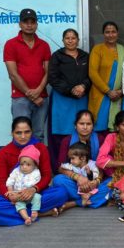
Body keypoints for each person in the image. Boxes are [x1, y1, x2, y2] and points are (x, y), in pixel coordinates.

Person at [0, 117, 67, 226]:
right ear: (12, 133)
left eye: (27, 132)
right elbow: (1, 182)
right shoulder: (2, 153)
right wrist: (12, 197)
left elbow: (46, 176)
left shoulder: (40, 148)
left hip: (36, 194)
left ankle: (21, 213)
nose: (23, 136)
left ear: (32, 132)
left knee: (61, 193)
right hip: (14, 196)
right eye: (18, 133)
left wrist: (33, 189)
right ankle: (41, 213)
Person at [3, 8, 51, 140]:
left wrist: (39, 90)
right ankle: (21, 161)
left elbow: (48, 71)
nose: (29, 25)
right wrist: (32, 96)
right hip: (20, 98)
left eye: (32, 22)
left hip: (42, 98)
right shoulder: (11, 44)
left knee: (39, 134)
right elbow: (12, 74)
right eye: (26, 22)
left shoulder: (44, 45)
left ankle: (36, 161)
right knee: (20, 135)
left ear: (36, 24)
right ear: (20, 24)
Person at [48, 28, 90, 167]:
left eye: (73, 38)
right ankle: (58, 166)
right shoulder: (57, 56)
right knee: (60, 132)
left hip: (81, 99)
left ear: (78, 40)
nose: (70, 40)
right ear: (63, 40)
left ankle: (82, 165)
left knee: (81, 130)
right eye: (67, 38)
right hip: (62, 100)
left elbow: (91, 76)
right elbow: (53, 78)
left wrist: (83, 86)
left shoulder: (85, 56)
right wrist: (71, 90)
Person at [53, 110, 110, 210]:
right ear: (75, 125)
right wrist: (78, 177)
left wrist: (96, 181)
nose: (85, 127)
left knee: (113, 182)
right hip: (75, 182)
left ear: (93, 125)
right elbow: (60, 168)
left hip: (95, 181)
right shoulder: (67, 141)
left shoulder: (100, 139)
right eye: (81, 123)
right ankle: (91, 199)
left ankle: (76, 202)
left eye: (88, 124)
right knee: (58, 180)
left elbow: (103, 165)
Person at [88, 21, 124, 135]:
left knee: (116, 130)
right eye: (107, 32)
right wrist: (108, 91)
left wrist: (121, 91)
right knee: (98, 129)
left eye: (113, 32)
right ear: (103, 34)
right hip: (101, 95)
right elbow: (92, 73)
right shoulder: (98, 49)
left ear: (117, 33)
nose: (110, 35)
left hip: (118, 96)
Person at [5, 144, 42, 225]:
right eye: (22, 164)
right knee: (19, 205)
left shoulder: (36, 172)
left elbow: (33, 183)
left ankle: (34, 211)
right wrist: (10, 191)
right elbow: (10, 180)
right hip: (17, 196)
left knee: (38, 197)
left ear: (35, 165)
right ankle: (26, 218)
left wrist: (27, 192)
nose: (24, 167)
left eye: (28, 165)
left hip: (30, 195)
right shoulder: (16, 171)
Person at [60, 142, 100, 207]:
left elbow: (96, 174)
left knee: (100, 189)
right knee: (59, 179)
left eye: (73, 158)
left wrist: (89, 173)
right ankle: (84, 198)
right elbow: (62, 166)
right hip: (80, 188)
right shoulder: (73, 166)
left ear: (83, 158)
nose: (71, 161)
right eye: (70, 158)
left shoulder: (92, 164)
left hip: (90, 186)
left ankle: (84, 198)